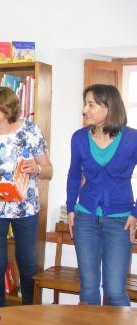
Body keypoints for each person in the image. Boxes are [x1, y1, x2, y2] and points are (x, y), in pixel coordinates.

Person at [0, 86, 53, 308]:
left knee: (27, 262)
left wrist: (36, 168)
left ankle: (28, 310)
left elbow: (49, 171)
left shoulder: (30, 131)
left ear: (5, 109)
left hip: (25, 209)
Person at [67, 84, 137, 306]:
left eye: (91, 104)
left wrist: (135, 212)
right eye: (84, 103)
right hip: (85, 217)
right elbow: (73, 174)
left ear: (109, 107)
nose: (85, 110)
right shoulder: (79, 138)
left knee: (115, 291)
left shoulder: (132, 138)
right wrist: (70, 208)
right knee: (88, 290)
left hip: (120, 221)